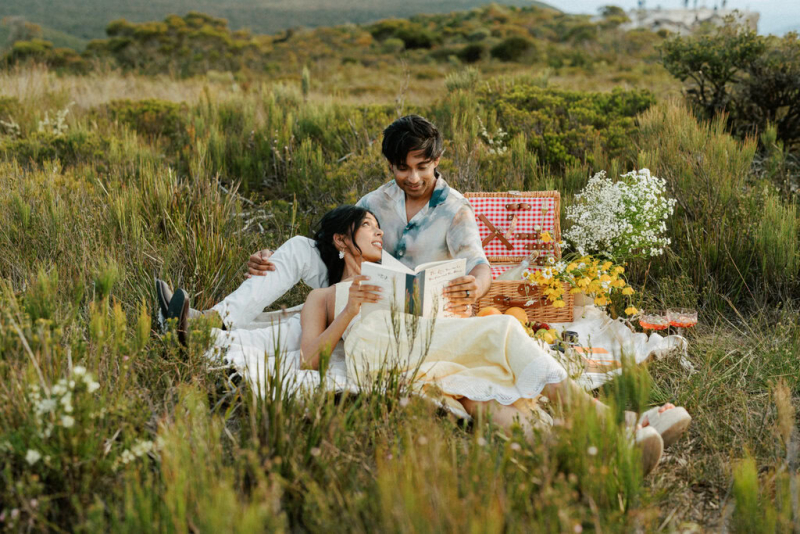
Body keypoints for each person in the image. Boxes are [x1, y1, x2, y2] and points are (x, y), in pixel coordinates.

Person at [163, 205, 691, 475]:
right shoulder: (325, 295)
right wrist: (347, 310)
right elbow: (308, 359)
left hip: (425, 338)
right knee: (503, 334)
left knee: (476, 385)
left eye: (378, 225)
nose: (378, 232)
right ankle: (613, 425)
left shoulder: (398, 269)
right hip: (376, 351)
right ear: (344, 241)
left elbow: (444, 298)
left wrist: (440, 296)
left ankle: (593, 448)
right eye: (367, 227)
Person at [181, 114, 491, 330]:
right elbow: (336, 244)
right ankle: (215, 320)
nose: (412, 178)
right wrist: (272, 259)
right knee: (300, 248)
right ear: (391, 165)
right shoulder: (374, 201)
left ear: (436, 160)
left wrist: (475, 285)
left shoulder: (454, 209)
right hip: (358, 287)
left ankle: (216, 336)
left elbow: (480, 265)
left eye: (422, 167)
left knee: (305, 317)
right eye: (402, 168)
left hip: (408, 310)